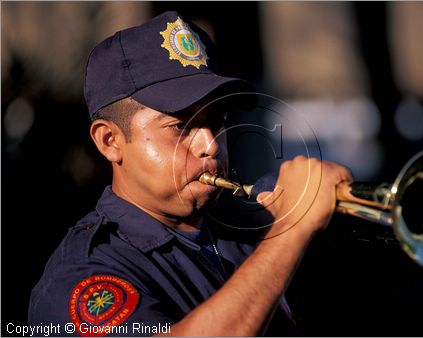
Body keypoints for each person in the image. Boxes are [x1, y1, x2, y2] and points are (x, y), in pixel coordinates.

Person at [29, 11, 352, 336]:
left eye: (217, 121)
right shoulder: (83, 275)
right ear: (110, 141)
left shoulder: (250, 219)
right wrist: (288, 234)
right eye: (181, 126)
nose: (210, 145)